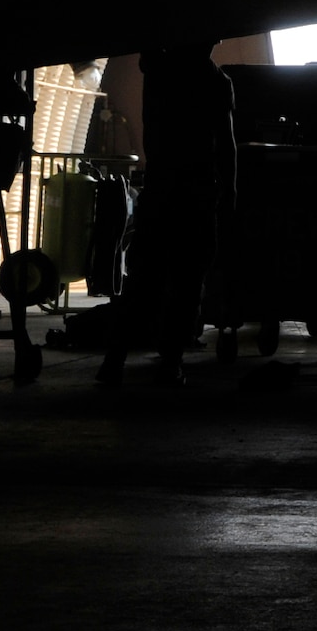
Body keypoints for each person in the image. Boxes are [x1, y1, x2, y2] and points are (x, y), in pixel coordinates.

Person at [102, 43, 235, 385]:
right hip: (196, 192)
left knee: (142, 280)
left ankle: (114, 360)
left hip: (160, 188)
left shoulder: (159, 70)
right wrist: (230, 189)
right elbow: (226, 142)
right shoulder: (215, 81)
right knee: (188, 282)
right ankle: (171, 361)